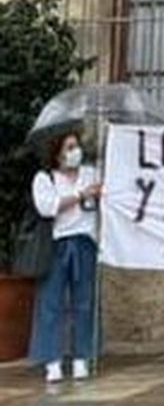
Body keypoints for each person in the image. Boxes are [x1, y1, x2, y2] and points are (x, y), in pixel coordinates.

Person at [29, 131, 102, 384]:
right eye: (70, 147)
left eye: (77, 146)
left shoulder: (91, 174)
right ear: (58, 152)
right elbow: (47, 207)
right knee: (51, 303)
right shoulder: (45, 178)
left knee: (84, 302)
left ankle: (82, 356)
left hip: (85, 242)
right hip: (56, 245)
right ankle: (52, 360)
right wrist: (80, 196)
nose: (75, 151)